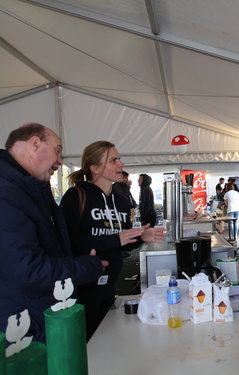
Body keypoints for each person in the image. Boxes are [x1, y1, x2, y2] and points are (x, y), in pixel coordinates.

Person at [0, 123, 106, 342]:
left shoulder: (31, 190)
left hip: (41, 318)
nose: (60, 160)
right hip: (21, 332)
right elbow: (29, 269)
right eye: (57, 150)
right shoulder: (7, 194)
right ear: (35, 144)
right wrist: (87, 266)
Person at [60, 141, 164, 340]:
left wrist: (140, 237)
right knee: (86, 345)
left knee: (107, 342)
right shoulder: (75, 196)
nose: (121, 164)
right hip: (82, 290)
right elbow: (69, 243)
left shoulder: (121, 201)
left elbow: (121, 241)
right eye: (113, 160)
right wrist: (113, 239)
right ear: (95, 167)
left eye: (119, 159)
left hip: (110, 286)